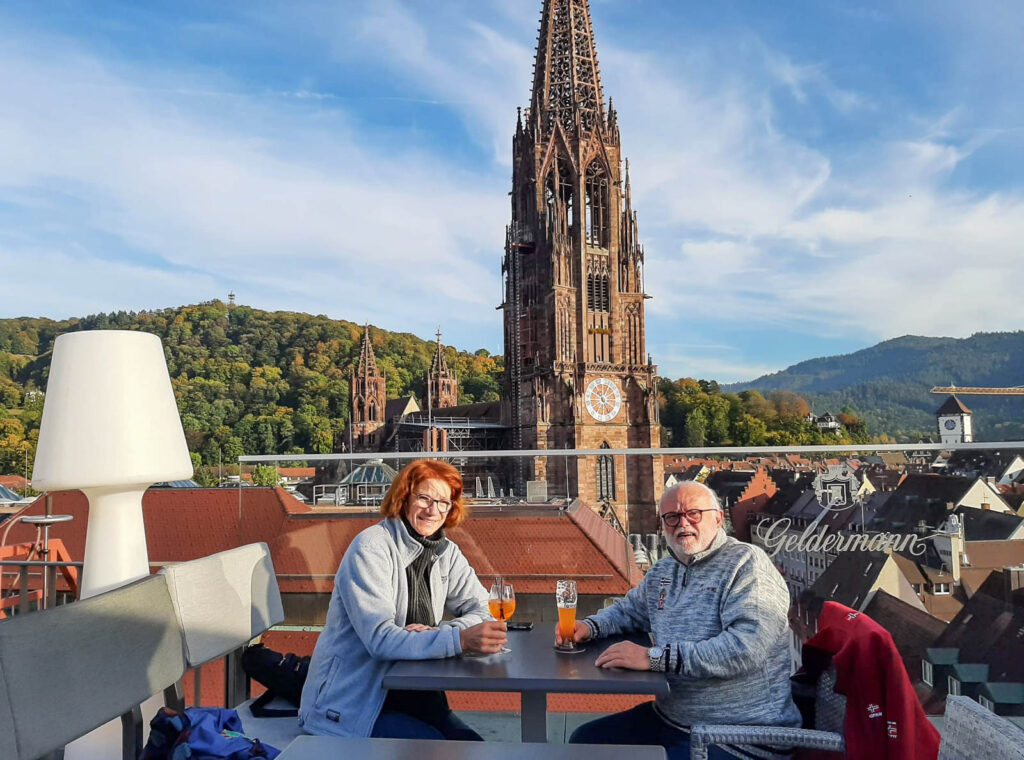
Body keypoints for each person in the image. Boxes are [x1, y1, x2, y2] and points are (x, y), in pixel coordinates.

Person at [562, 481, 801, 760]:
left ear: (718, 518)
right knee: (585, 741)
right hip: (673, 719)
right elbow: (630, 610)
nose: (683, 524)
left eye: (694, 514)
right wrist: (590, 626)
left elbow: (746, 648)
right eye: (672, 517)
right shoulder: (667, 568)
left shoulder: (747, 564)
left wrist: (654, 658)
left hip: (741, 735)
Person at [298, 459, 507, 740]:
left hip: (416, 693)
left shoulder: (445, 551)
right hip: (356, 704)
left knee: (473, 746)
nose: (434, 510)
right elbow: (381, 639)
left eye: (443, 502)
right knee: (441, 750)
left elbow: (485, 608)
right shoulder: (371, 548)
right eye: (424, 498)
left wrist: (445, 631)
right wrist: (460, 640)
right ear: (404, 497)